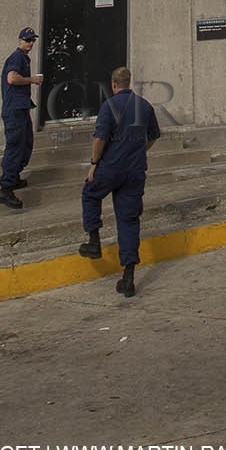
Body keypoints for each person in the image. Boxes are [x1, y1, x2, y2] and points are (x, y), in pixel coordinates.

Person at [78, 67, 161, 297]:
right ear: (129, 82)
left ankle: (94, 241)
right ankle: (128, 277)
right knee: (129, 219)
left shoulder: (109, 106)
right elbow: (153, 136)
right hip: (135, 170)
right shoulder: (144, 106)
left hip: (111, 167)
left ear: (113, 84)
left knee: (90, 193)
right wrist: (139, 150)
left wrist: (94, 163)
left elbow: (99, 139)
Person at [0, 27, 42, 209]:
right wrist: (32, 80)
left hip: (20, 108)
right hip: (14, 110)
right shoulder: (17, 57)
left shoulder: (23, 58)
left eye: (32, 40)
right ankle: (5, 189)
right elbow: (12, 78)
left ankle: (13, 178)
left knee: (25, 143)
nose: (30, 43)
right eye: (27, 40)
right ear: (20, 40)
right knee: (15, 146)